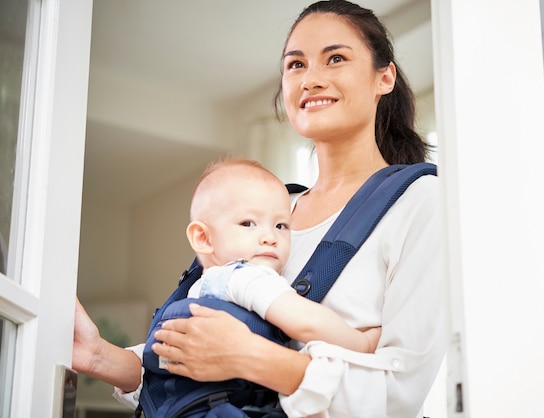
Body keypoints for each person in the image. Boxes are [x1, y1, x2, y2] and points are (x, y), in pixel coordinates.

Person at [72, 1, 448, 417]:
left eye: (336, 58)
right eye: (296, 65)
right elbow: (198, 354)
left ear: (385, 76)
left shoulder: (420, 202)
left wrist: (251, 357)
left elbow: (401, 390)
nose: (311, 79)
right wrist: (98, 358)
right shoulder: (270, 209)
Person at [140, 158, 381, 416]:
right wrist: (363, 343)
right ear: (203, 238)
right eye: (248, 223)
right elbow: (306, 322)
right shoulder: (245, 277)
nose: (270, 237)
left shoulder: (201, 288)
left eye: (281, 226)